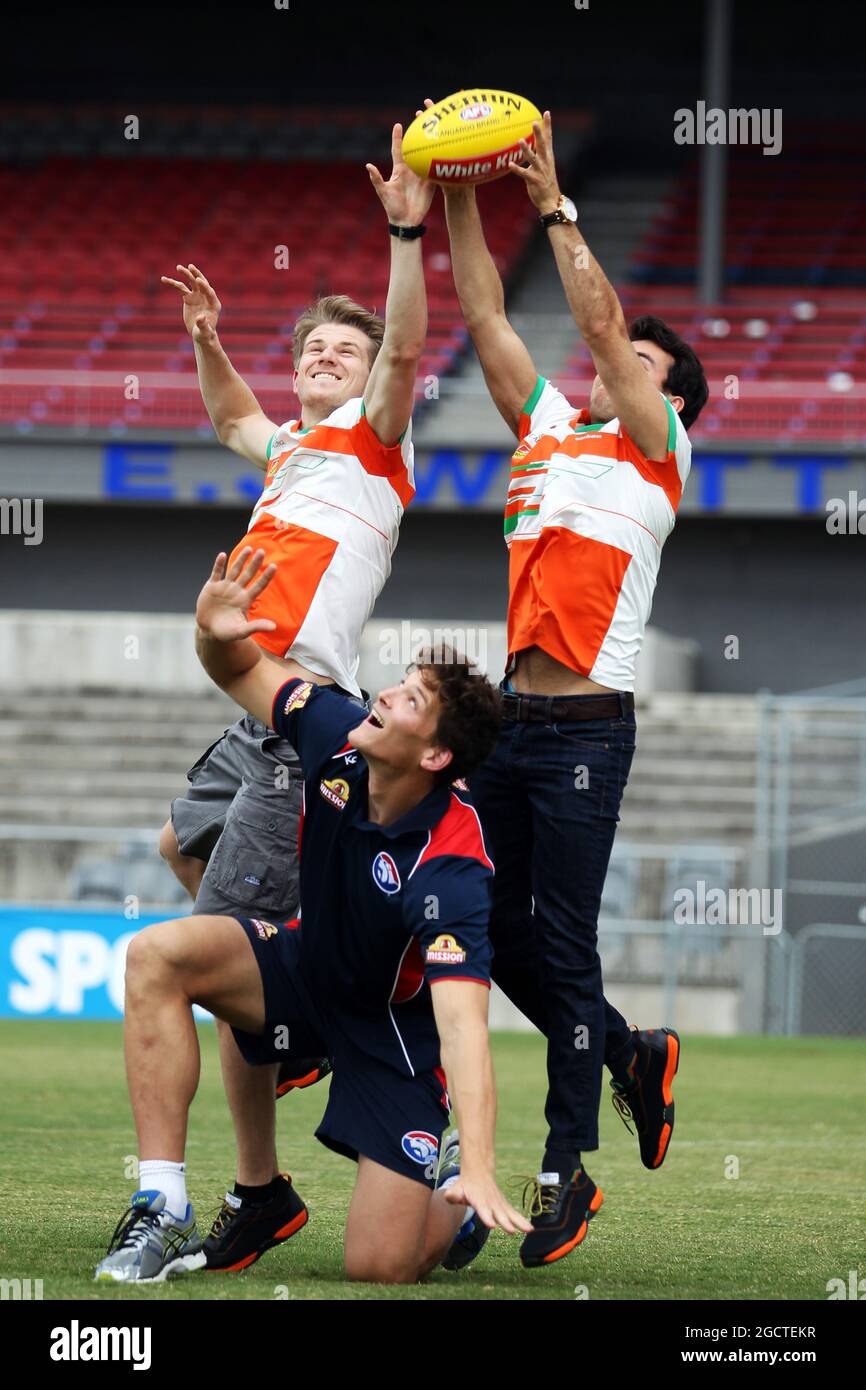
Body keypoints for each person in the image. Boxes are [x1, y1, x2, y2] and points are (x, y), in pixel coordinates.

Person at [154, 124, 435, 1269]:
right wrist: (213, 341)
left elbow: (407, 351)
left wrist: (405, 237)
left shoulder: (374, 436)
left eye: (339, 348)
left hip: (297, 709)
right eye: (310, 345)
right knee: (178, 838)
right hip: (245, 709)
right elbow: (231, 418)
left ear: (366, 378)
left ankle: (257, 1179)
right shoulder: (292, 449)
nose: (321, 355)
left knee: (213, 947)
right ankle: (297, 1008)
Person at [95, 550, 530, 1285]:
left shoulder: (452, 864)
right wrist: (211, 629)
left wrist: (482, 1169)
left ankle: (451, 1192)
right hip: (301, 969)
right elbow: (239, 670)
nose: (385, 696)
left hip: (391, 1033)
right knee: (156, 956)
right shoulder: (337, 732)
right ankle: (163, 1201)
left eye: (411, 700)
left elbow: (462, 1027)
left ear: (435, 755)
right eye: (400, 684)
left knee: (380, 1267)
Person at [439, 111, 708, 1267]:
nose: (612, 369)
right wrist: (448, 190)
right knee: (488, 928)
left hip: (590, 724)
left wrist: (553, 205)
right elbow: (486, 316)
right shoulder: (548, 431)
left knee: (562, 939)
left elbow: (595, 320)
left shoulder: (659, 449)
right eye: (618, 364)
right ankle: (627, 1053)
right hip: (507, 718)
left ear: (674, 402)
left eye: (639, 367)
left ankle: (564, 1167)